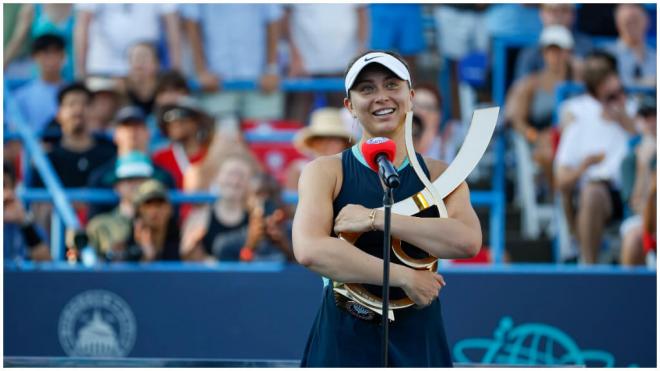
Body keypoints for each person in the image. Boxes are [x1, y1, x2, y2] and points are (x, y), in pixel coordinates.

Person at [292, 51, 482, 366]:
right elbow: (310, 249)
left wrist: (377, 219)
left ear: (410, 97)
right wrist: (404, 277)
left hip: (417, 335)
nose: (381, 97)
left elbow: (467, 240)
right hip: (344, 332)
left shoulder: (440, 174)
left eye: (391, 85)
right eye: (366, 89)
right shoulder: (326, 171)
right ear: (349, 106)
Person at [554, 62, 632, 264]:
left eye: (622, 92)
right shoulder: (579, 126)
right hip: (595, 194)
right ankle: (589, 269)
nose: (620, 101)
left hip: (635, 195)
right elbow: (561, 180)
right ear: (596, 97)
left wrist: (628, 123)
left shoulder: (642, 120)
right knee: (592, 193)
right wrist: (585, 166)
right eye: (611, 97)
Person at [181, 154, 293, 262]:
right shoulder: (225, 243)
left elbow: (305, 267)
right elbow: (232, 276)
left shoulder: (294, 234)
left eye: (271, 196)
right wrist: (250, 246)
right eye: (258, 196)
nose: (264, 203)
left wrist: (285, 245)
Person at [181, 4, 284, 120]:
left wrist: (271, 69)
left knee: (263, 134)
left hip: (260, 82)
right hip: (216, 83)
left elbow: (273, 19)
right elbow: (191, 21)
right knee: (217, 134)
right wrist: (201, 71)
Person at [506, 25, 576, 191]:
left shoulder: (580, 84)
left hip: (572, 141)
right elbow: (517, 121)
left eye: (560, 50)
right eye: (550, 51)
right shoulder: (530, 84)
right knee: (548, 154)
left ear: (569, 52)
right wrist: (535, 136)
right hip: (542, 143)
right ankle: (558, 198)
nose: (555, 56)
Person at [87, 105, 176, 218]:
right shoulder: (99, 177)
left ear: (148, 133)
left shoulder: (165, 177)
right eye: (126, 126)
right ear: (116, 134)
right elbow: (94, 221)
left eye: (138, 126)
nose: (132, 131)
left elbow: (173, 218)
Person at [284, 4, 367, 123]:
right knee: (297, 119)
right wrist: (294, 57)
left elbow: (361, 12)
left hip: (344, 63)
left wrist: (360, 53)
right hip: (304, 65)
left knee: (344, 121)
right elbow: (285, 16)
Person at [74, 4, 181, 78]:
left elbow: (172, 27)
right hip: (103, 68)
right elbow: (83, 25)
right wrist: (81, 72)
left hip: (147, 69)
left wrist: (176, 70)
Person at [86, 152, 154, 261]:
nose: (136, 185)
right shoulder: (100, 225)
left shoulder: (163, 222)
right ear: (117, 186)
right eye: (129, 180)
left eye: (141, 179)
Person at [619, 96, 656, 266]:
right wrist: (643, 166)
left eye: (654, 115)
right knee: (633, 239)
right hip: (643, 219)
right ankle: (628, 291)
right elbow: (636, 204)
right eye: (645, 116)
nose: (651, 122)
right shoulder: (630, 159)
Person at [514, 4, 593, 81]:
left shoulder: (586, 46)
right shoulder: (530, 51)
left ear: (573, 15)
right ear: (541, 14)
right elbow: (521, 84)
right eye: (552, 10)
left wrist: (579, 72)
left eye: (564, 10)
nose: (558, 16)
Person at [284, 107, 352, 192]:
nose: (328, 144)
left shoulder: (352, 170)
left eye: (335, 139)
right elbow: (290, 203)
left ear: (344, 143)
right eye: (321, 138)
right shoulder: (298, 168)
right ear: (312, 142)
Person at [152, 96, 213, 190]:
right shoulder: (160, 158)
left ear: (197, 122)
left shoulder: (211, 154)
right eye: (170, 122)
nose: (175, 124)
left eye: (182, 118)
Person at [3, 4, 75, 81]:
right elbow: (17, 40)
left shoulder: (78, 8)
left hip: (69, 70)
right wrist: (4, 62)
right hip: (40, 71)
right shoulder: (32, 8)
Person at [12, 34, 66, 133]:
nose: (51, 58)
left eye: (55, 52)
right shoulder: (22, 96)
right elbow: (14, 130)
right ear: (34, 57)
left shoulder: (74, 93)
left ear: (63, 56)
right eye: (45, 53)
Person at [4, 162, 51, 262]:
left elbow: (45, 261)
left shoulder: (27, 224)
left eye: (3, 185)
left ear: (13, 187)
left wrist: (24, 222)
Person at [605, 4, 656, 87]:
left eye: (636, 20)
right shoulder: (606, 55)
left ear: (647, 21)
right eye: (627, 22)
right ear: (617, 23)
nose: (632, 27)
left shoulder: (656, 56)